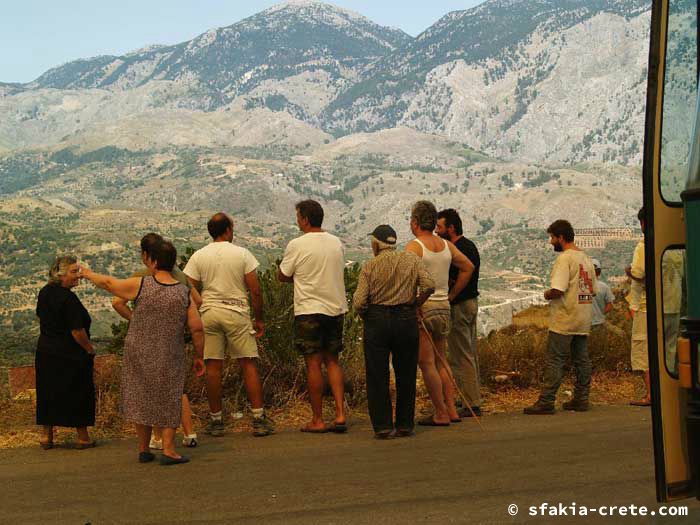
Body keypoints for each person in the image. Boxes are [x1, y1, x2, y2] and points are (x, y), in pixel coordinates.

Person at [81, 240, 206, 465]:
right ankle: (168, 449)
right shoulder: (183, 292)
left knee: (141, 394)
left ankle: (143, 449)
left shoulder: (141, 285)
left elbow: (109, 284)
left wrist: (88, 274)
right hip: (170, 351)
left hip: (138, 348)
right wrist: (199, 356)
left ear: (152, 260)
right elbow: (197, 327)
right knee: (169, 396)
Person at [184, 213, 274, 438]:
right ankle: (258, 418)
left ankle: (216, 421)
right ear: (228, 230)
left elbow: (187, 286)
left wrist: (200, 305)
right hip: (236, 312)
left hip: (209, 313)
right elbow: (255, 289)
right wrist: (258, 318)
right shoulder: (242, 253)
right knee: (248, 364)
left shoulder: (199, 255)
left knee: (213, 368)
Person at [112, 233, 199, 449]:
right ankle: (189, 433)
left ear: (146, 255)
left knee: (150, 390)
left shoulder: (143, 277)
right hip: (177, 338)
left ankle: (158, 439)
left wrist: (136, 320)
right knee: (178, 389)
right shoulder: (178, 275)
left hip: (149, 342)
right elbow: (198, 301)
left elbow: (117, 302)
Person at [352, 225, 435, 438]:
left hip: (377, 321)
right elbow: (429, 285)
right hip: (406, 318)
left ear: (376, 244)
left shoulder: (370, 266)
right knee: (406, 372)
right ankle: (405, 424)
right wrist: (415, 305)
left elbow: (359, 302)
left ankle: (383, 426)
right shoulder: (412, 260)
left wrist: (368, 316)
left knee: (377, 374)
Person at [278, 200, 349, 433]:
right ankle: (340, 414)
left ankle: (317, 419)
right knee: (333, 361)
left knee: (313, 364)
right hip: (335, 308)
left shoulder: (297, 244)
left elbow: (283, 275)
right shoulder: (336, 243)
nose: (297, 220)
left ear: (305, 219)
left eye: (298, 216)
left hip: (309, 309)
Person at [406, 201, 474, 426]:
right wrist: (451, 294)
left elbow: (407, 280)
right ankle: (452, 410)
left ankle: (440, 412)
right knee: (442, 361)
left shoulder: (414, 247)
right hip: (444, 307)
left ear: (415, 222)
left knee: (427, 364)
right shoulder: (446, 245)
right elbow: (468, 267)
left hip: (424, 308)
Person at [524, 220, 596, 415]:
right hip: (583, 316)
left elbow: (558, 289)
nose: (550, 242)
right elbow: (593, 290)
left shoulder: (565, 259)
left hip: (565, 317)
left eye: (552, 237)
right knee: (582, 360)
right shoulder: (586, 258)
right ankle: (581, 398)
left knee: (555, 360)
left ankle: (546, 400)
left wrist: (547, 294)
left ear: (561, 237)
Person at [35, 256, 96, 450]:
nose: (79, 276)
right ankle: (83, 437)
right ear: (60, 275)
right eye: (74, 272)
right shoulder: (68, 298)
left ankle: (46, 436)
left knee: (48, 392)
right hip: (69, 353)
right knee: (78, 391)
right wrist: (89, 349)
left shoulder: (44, 292)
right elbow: (77, 331)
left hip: (46, 350)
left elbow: (41, 317)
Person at [436, 208, 482, 418]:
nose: (436, 231)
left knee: (460, 355)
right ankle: (470, 397)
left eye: (440, 227)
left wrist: (451, 296)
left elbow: (468, 270)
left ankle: (471, 403)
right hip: (470, 304)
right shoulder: (469, 246)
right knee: (468, 352)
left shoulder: (458, 250)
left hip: (461, 306)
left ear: (451, 228)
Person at [626, 207, 650, 406]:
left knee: (644, 352)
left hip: (644, 307)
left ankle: (650, 395)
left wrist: (629, 272)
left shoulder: (643, 246)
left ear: (643, 223)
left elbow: (640, 273)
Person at [589, 258, 614, 355]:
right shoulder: (604, 287)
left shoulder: (580, 287)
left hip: (582, 324)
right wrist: (601, 313)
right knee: (599, 351)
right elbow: (610, 305)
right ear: (599, 272)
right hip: (599, 323)